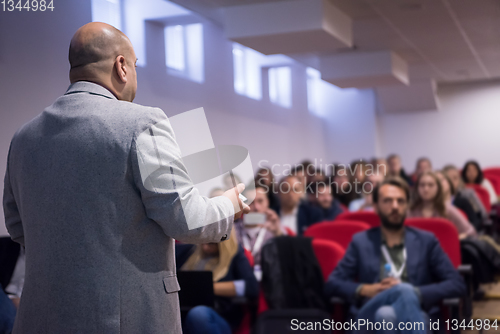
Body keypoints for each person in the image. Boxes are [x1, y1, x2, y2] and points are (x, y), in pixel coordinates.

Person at [2, 22, 249, 333]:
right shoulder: (141, 122)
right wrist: (228, 205)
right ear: (121, 66)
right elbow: (186, 220)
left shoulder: (23, 137)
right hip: (125, 321)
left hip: (40, 319)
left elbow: (16, 225)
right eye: (135, 66)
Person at [325, 177, 466, 333]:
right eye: (387, 201)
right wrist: (365, 289)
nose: (395, 206)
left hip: (418, 312)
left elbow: (456, 283)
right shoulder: (361, 242)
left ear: (407, 206)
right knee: (396, 298)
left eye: (400, 201)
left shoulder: (426, 241)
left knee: (386, 314)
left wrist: (415, 293)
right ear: (376, 207)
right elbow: (333, 283)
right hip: (368, 317)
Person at [177, 231, 259, 334]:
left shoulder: (235, 255)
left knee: (198, 314)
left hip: (217, 315)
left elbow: (251, 287)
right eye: (203, 242)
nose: (205, 247)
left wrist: (205, 287)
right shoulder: (187, 251)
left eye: (212, 243)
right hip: (182, 314)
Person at [408, 172, 477, 239]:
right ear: (417, 188)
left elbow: (471, 232)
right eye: (422, 185)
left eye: (430, 185)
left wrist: (455, 239)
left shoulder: (448, 210)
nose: (426, 189)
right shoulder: (410, 211)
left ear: (438, 188)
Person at [234, 185, 285, 265]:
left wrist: (277, 233)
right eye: (251, 202)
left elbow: (286, 258)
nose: (256, 207)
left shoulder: (277, 230)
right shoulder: (232, 231)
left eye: (260, 201)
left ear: (267, 202)